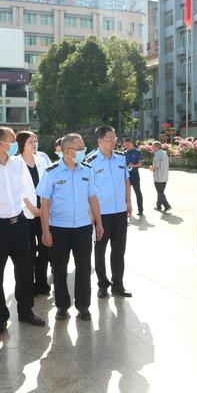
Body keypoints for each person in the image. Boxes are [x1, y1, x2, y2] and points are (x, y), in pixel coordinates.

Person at [0, 126, 45, 337]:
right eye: (12, 141)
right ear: (0, 143)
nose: (15, 145)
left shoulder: (18, 164)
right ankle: (0, 318)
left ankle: (25, 311)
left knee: (24, 271)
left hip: (19, 224)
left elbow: (22, 191)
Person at [36, 133, 104, 321]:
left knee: (84, 268)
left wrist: (99, 222)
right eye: (80, 148)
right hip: (59, 229)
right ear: (67, 151)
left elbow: (92, 197)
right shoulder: (51, 172)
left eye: (84, 148)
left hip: (83, 227)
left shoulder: (87, 170)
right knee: (59, 269)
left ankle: (83, 306)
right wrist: (45, 231)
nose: (84, 151)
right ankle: (62, 306)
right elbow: (45, 203)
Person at [86, 126, 133, 299]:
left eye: (115, 138)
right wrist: (93, 216)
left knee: (119, 250)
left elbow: (126, 180)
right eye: (109, 139)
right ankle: (102, 284)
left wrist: (129, 202)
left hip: (120, 211)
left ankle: (118, 284)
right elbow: (87, 190)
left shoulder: (120, 157)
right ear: (99, 141)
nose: (113, 141)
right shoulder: (90, 161)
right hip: (102, 214)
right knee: (100, 251)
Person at [16, 130, 51, 296]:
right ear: (21, 144)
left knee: (45, 249)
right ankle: (29, 286)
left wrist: (43, 208)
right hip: (25, 214)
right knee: (28, 253)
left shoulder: (41, 161)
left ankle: (41, 283)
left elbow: (47, 185)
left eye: (35, 141)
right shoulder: (15, 163)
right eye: (30, 142)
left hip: (43, 212)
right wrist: (30, 207)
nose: (34, 144)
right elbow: (17, 189)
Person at [123, 137, 144, 216]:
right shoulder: (124, 153)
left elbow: (140, 163)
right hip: (126, 176)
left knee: (137, 192)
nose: (125, 146)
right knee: (126, 194)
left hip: (135, 174)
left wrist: (134, 165)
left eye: (127, 144)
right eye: (125, 145)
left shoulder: (137, 152)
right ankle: (126, 210)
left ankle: (140, 210)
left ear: (131, 143)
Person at [149, 141, 171, 212]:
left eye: (153, 146)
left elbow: (156, 166)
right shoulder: (164, 153)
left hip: (158, 177)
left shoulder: (157, 154)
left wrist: (151, 168)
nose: (151, 148)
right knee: (161, 192)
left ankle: (167, 205)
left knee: (160, 193)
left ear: (157, 147)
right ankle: (158, 206)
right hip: (165, 176)